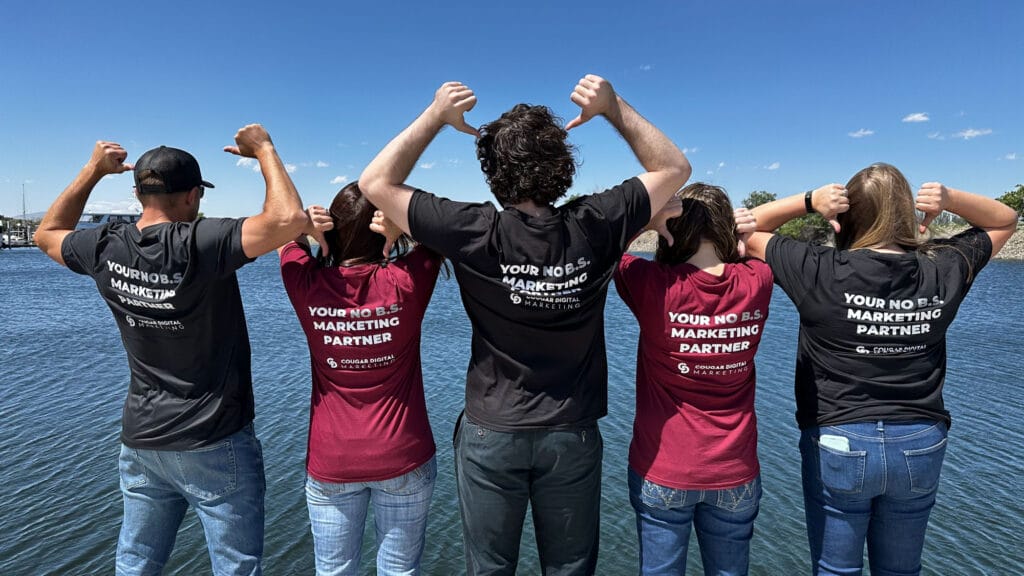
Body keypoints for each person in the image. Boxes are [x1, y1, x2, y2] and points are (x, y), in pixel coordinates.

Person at [358, 75, 691, 575]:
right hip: (571, 431)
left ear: (492, 174)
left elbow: (375, 184)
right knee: (570, 567)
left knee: (490, 568)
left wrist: (436, 116)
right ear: (562, 166)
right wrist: (611, 107)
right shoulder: (594, 223)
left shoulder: (474, 230)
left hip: (493, 430)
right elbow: (674, 167)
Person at [33, 125, 307, 576]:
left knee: (137, 561)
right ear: (192, 195)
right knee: (236, 566)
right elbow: (288, 221)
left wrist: (93, 170)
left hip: (143, 440)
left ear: (139, 193)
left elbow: (48, 233)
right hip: (213, 438)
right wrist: (264, 150)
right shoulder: (201, 242)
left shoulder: (107, 245)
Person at [739, 164, 1018, 576]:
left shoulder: (817, 267)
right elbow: (1005, 220)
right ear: (907, 213)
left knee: (836, 569)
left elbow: (741, 231)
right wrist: (949, 200)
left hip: (838, 438)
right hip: (920, 440)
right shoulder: (943, 266)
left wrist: (809, 202)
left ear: (848, 216)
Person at [277, 182, 444, 576]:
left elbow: (284, 236)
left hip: (332, 461)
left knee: (334, 571)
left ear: (332, 230)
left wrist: (308, 230)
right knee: (400, 571)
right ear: (380, 229)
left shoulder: (305, 284)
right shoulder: (406, 282)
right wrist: (401, 226)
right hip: (403, 454)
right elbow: (437, 237)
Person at [615, 183, 773, 576]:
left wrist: (650, 221)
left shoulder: (651, 282)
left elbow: (609, 248)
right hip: (734, 470)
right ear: (726, 227)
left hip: (663, 468)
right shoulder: (758, 281)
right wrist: (740, 231)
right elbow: (761, 245)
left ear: (672, 227)